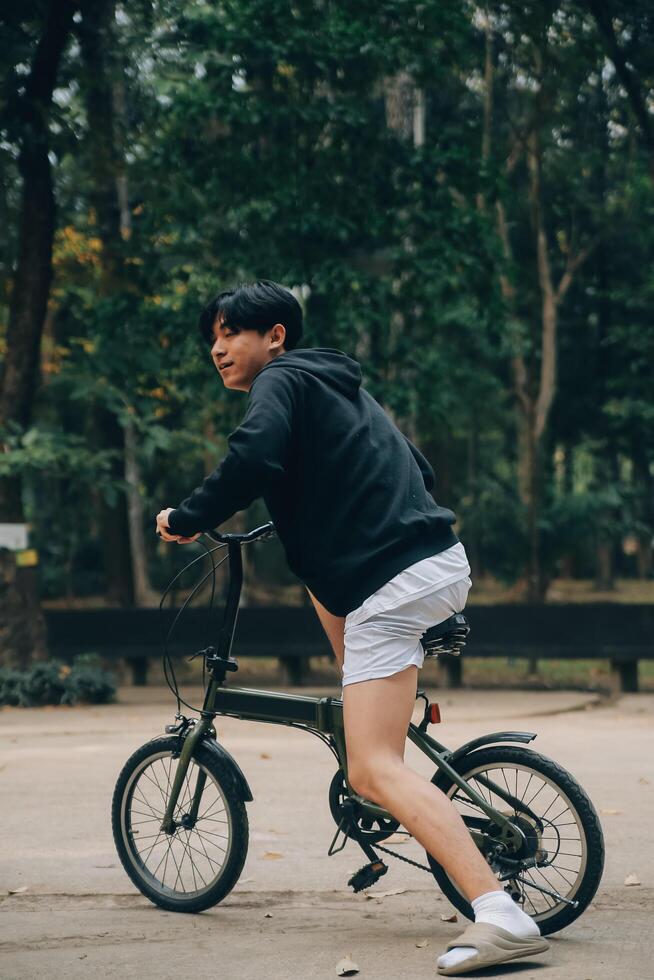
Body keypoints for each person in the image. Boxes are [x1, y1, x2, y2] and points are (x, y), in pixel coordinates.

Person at [155, 279, 549, 976]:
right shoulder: (338, 388)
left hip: (392, 582)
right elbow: (416, 468)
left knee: (371, 766)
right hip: (435, 562)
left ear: (275, 336)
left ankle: (498, 913)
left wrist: (186, 517)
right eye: (210, 338)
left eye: (230, 333)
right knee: (322, 589)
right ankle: (380, 736)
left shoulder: (277, 382)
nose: (216, 348)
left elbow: (252, 458)